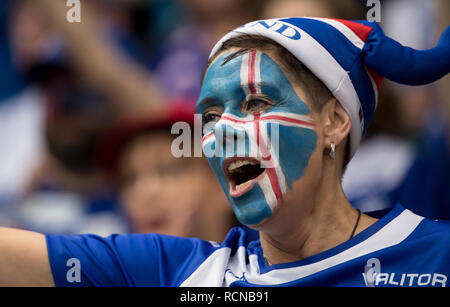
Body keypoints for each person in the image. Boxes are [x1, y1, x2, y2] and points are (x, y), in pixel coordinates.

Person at [0, 17, 449, 287]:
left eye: (257, 102)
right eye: (211, 116)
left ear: (333, 121)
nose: (226, 132)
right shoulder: (176, 274)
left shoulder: (437, 256)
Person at [96, 104, 236, 242]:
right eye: (130, 179)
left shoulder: (255, 262)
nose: (145, 191)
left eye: (169, 171)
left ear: (225, 183)